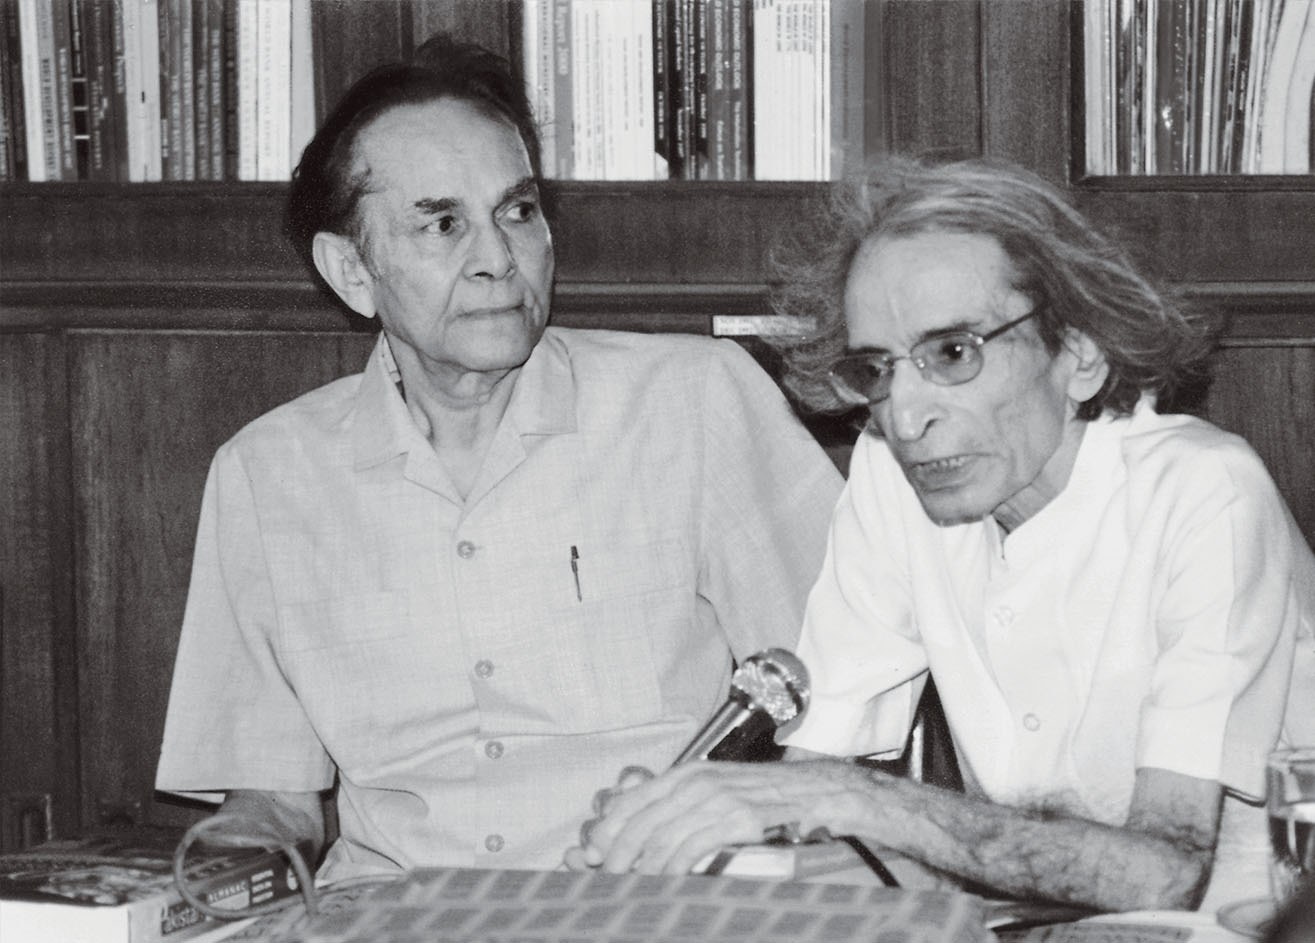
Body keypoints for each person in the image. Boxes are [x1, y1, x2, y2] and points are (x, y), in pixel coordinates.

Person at [154, 35, 843, 881]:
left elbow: (847, 693)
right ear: (351, 271)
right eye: (442, 224)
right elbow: (270, 802)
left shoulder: (694, 400)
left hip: (659, 913)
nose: (498, 258)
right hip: (391, 919)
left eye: (516, 211)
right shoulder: (265, 476)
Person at [567, 156, 1315, 914]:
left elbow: (1162, 873)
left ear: (1078, 354)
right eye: (877, 368)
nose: (904, 413)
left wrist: (844, 799)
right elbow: (818, 783)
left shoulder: (1204, 491)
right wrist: (696, 828)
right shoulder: (890, 476)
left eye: (952, 353)